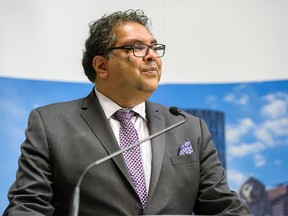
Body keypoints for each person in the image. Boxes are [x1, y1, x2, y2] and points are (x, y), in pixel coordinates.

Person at [4, 9, 252, 215]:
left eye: (154, 48)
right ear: (102, 65)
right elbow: (28, 206)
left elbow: (223, 206)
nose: (152, 57)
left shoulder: (188, 127)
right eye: (137, 48)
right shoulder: (51, 124)